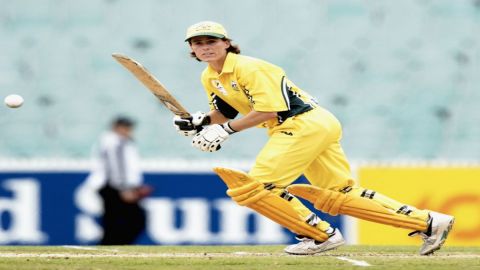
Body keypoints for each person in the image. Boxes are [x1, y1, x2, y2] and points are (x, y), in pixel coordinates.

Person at [173, 21, 454, 255]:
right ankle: (430, 223)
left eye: (211, 41)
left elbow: (270, 109)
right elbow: (226, 110)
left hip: (301, 124)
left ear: (226, 43)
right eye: (197, 43)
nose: (205, 47)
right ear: (192, 50)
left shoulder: (251, 67)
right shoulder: (210, 77)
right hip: (315, 124)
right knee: (338, 195)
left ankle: (320, 235)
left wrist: (226, 130)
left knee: (256, 188)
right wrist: (201, 121)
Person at [86, 116, 151, 245]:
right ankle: (112, 248)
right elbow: (116, 167)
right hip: (114, 187)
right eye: (125, 127)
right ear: (116, 127)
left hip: (115, 187)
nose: (128, 130)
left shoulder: (115, 141)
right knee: (130, 221)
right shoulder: (116, 142)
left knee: (116, 223)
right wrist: (124, 188)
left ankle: (112, 248)